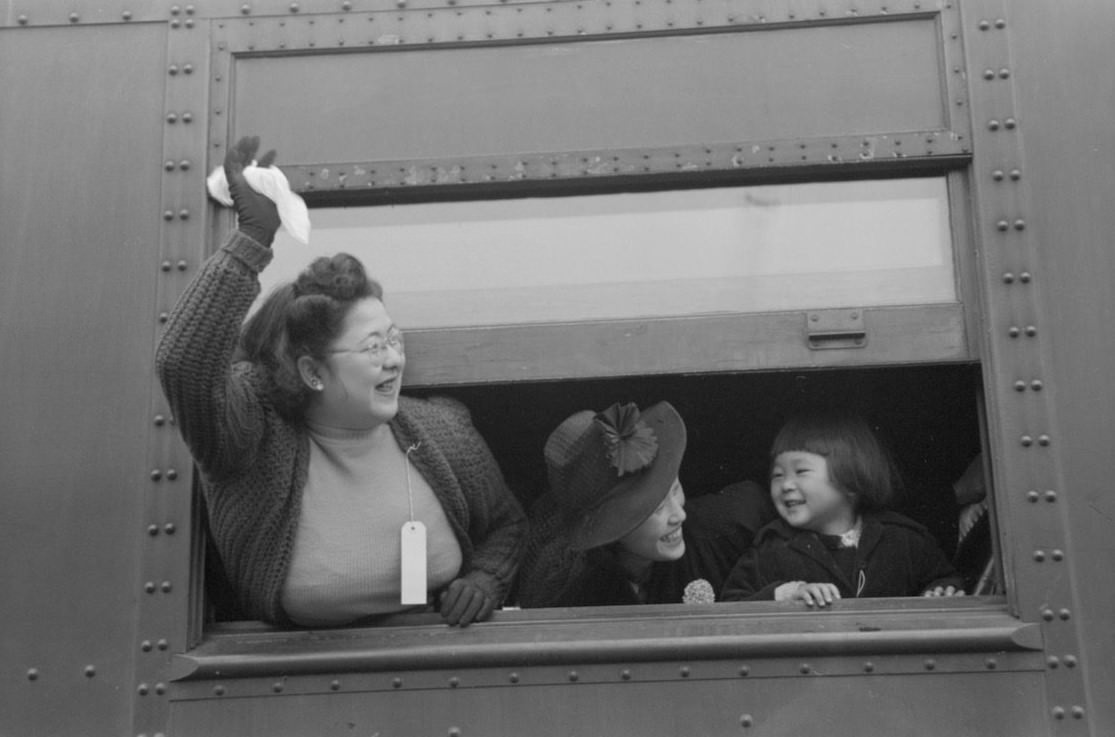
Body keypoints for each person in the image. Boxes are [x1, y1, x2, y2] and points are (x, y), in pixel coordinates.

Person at [156, 136, 526, 627]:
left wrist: (486, 579)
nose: (394, 360)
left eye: (394, 339)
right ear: (312, 372)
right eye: (373, 348)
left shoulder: (443, 433)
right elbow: (184, 365)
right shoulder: (250, 439)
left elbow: (508, 524)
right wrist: (251, 241)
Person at [519, 401, 774, 607]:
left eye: (675, 489)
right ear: (612, 530)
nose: (679, 514)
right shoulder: (569, 592)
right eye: (657, 507)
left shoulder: (733, 523)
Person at [720, 411, 965, 606]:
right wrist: (783, 594)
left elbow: (943, 579)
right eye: (777, 474)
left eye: (801, 471)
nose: (786, 485)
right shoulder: (770, 549)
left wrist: (940, 592)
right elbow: (732, 604)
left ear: (851, 480)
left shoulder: (904, 540)